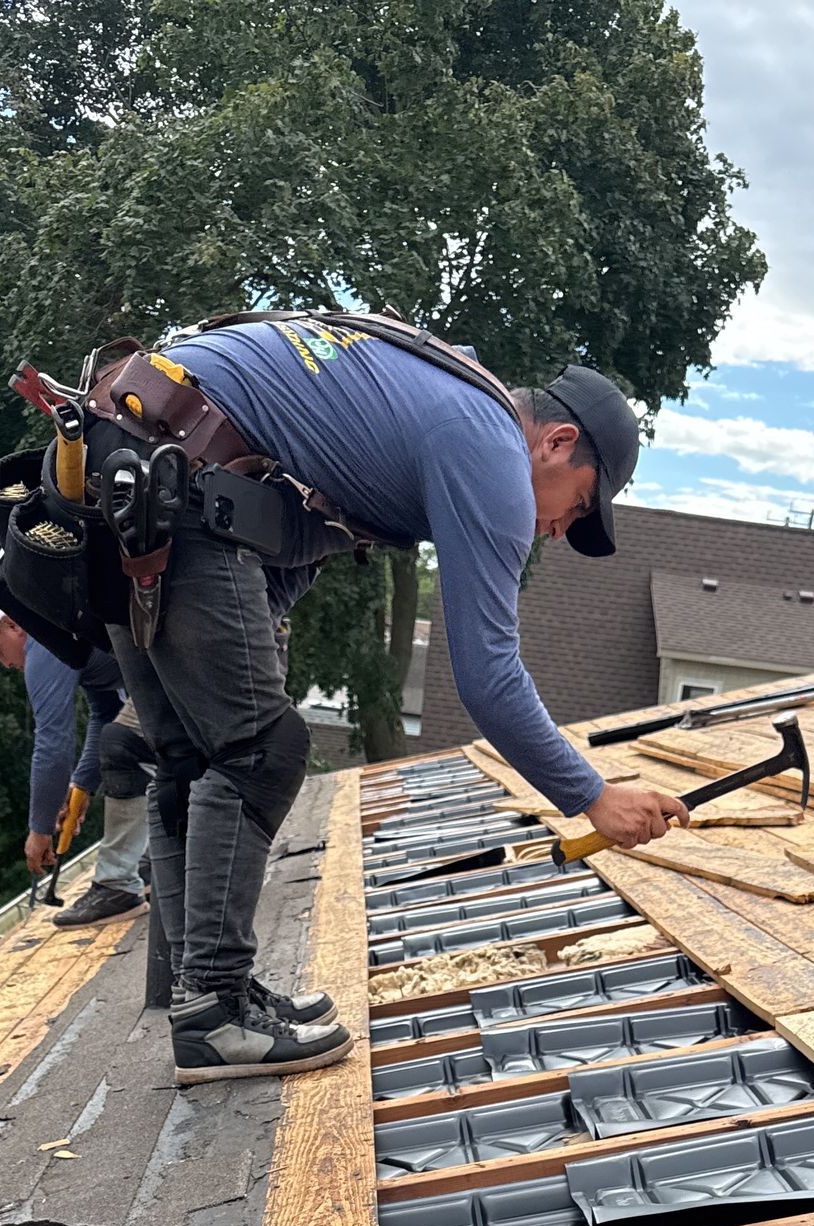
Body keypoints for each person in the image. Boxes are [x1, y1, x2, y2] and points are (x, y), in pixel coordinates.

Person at [101, 319, 689, 1084]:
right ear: (555, 441)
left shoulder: (418, 398)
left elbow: (292, 534)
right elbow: (487, 676)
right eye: (576, 507)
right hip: (170, 475)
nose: (552, 528)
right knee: (262, 753)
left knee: (192, 749)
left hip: (118, 463)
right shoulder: (487, 447)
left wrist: (261, 625)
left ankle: (204, 994)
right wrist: (593, 795)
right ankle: (212, 1011)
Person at [0, 578, 152, 928]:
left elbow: (52, 743)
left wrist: (40, 829)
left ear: (12, 625)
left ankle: (118, 885)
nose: (4, 664)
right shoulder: (68, 629)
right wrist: (81, 786)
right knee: (129, 739)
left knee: (125, 746)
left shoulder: (43, 644)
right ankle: (151, 865)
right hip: (168, 668)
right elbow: (106, 712)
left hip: (174, 667)